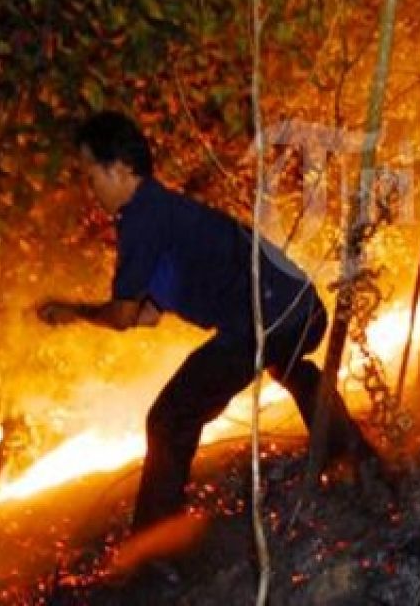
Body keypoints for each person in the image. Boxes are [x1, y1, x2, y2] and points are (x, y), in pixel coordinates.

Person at [37, 111, 376, 533]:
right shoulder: (162, 210)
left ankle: (154, 547)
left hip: (267, 319)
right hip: (301, 309)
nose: (91, 189)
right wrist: (91, 314)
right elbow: (147, 315)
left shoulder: (142, 217)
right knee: (284, 362)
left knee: (169, 418)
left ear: (120, 169)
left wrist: (73, 312)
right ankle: (351, 455)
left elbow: (124, 316)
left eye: (91, 175)